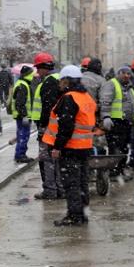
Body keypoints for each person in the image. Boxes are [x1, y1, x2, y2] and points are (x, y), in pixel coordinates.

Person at [43, 65, 96, 226]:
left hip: (71, 147)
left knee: (71, 183)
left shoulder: (69, 98)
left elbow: (66, 126)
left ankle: (74, 216)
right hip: (85, 147)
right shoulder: (86, 96)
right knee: (82, 182)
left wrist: (58, 147)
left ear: (66, 80)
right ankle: (82, 213)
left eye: (61, 80)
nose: (59, 83)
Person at [30, 52, 63, 199]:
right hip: (59, 126)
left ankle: (50, 190)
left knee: (47, 158)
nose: (37, 71)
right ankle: (60, 188)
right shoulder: (60, 79)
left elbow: (48, 108)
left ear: (45, 67)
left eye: (38, 68)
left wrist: (43, 127)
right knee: (57, 158)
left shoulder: (49, 82)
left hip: (49, 127)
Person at [100, 65, 134, 179]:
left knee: (124, 147)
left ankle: (121, 169)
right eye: (124, 73)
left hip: (125, 122)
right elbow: (106, 101)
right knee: (115, 147)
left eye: (128, 73)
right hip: (115, 122)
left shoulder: (129, 87)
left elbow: (131, 105)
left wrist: (133, 119)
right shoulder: (112, 84)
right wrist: (106, 116)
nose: (126, 75)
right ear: (118, 73)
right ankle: (114, 171)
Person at [12, 65, 35, 163]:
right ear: (28, 74)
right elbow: (20, 103)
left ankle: (20, 154)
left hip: (21, 116)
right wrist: (25, 115)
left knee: (21, 135)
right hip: (23, 116)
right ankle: (20, 155)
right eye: (31, 73)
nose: (33, 75)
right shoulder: (23, 85)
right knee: (23, 135)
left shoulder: (22, 83)